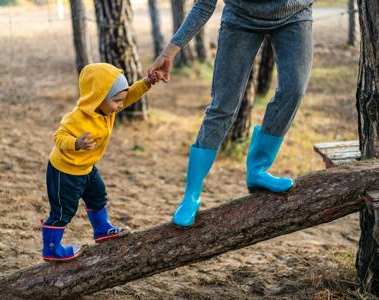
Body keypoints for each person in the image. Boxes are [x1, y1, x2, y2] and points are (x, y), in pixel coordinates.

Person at [148, 0, 314, 228]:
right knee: (222, 106)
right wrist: (170, 51)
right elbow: (204, 5)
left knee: (293, 91)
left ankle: (258, 170)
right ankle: (191, 195)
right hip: (241, 18)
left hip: (294, 14)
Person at [42, 63, 161, 261]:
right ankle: (52, 248)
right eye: (116, 101)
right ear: (98, 98)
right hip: (66, 171)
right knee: (64, 210)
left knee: (98, 195)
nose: (120, 105)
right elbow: (58, 137)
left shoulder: (108, 109)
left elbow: (128, 95)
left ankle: (102, 229)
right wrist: (76, 143)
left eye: (120, 101)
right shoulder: (76, 118)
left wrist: (147, 83)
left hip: (87, 168)